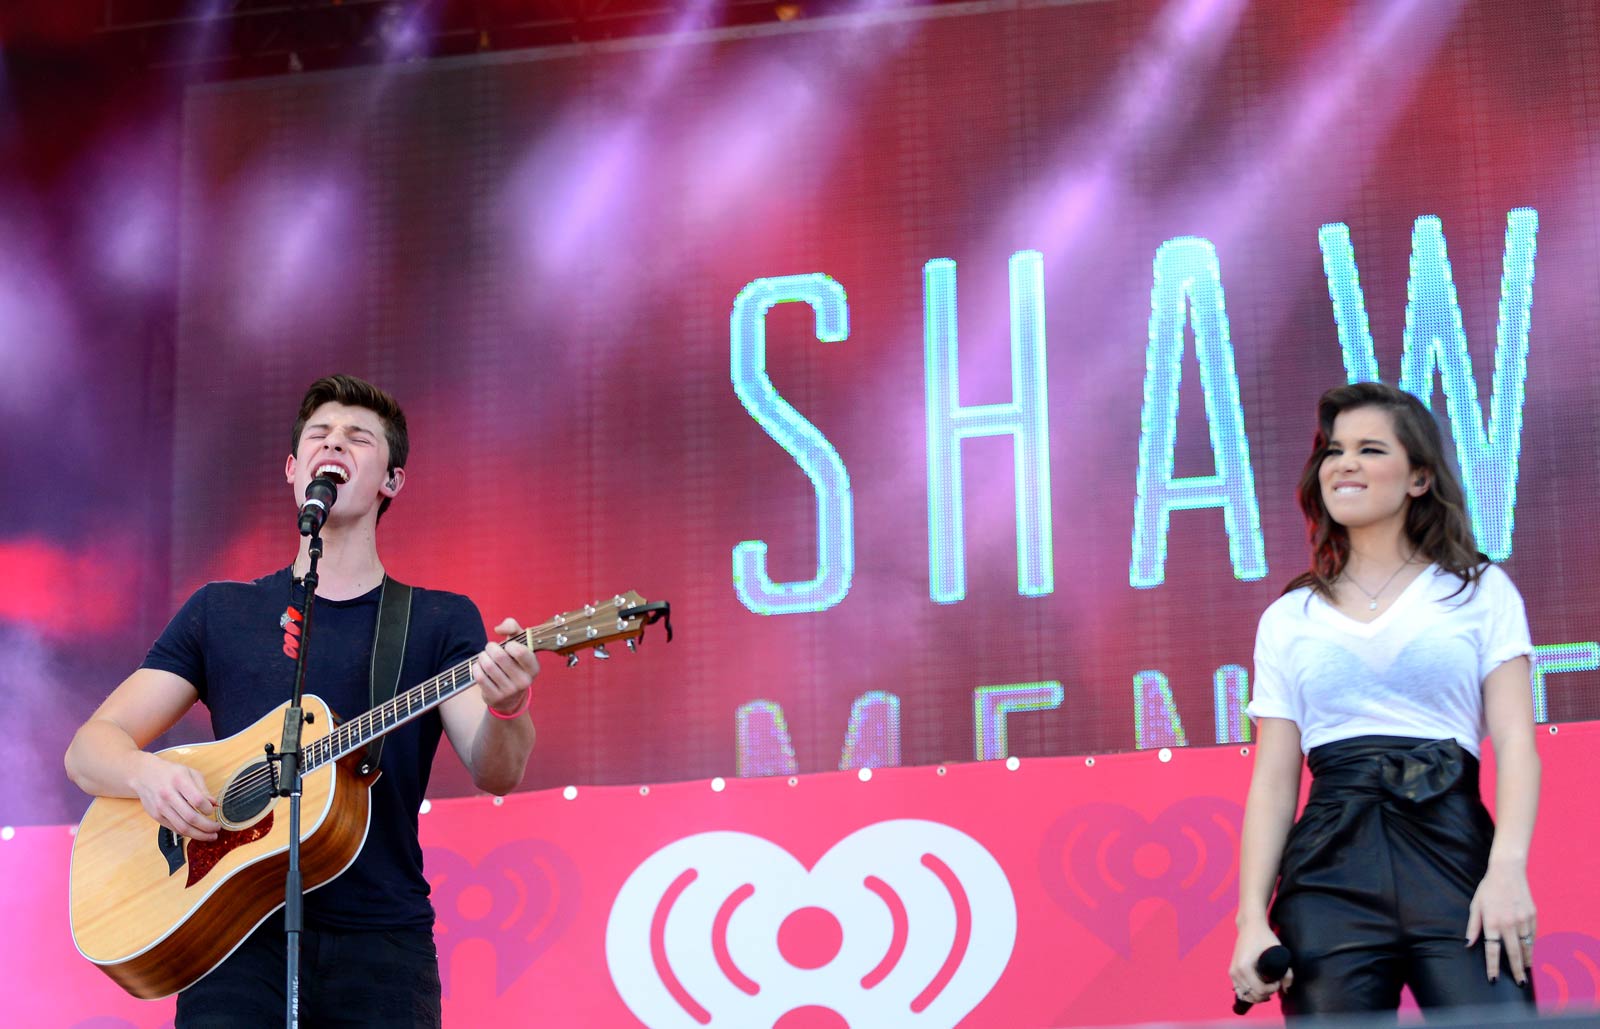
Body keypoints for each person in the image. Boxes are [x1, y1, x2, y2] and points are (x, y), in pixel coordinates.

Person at [64, 374, 541, 1027]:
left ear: (391, 480)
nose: (333, 444)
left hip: (381, 947)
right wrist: (146, 774)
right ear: (294, 470)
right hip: (230, 943)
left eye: (357, 437)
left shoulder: (436, 620)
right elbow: (90, 748)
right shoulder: (220, 611)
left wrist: (510, 706)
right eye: (318, 435)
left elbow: (497, 768)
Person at [1229, 381, 1540, 1016]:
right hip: (1328, 865)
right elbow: (1273, 781)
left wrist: (1506, 867)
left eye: (1370, 449)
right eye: (1333, 451)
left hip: (1452, 851)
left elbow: (1515, 743)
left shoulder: (1480, 590)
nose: (1344, 463)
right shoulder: (1290, 616)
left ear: (1419, 478)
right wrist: (1249, 921)